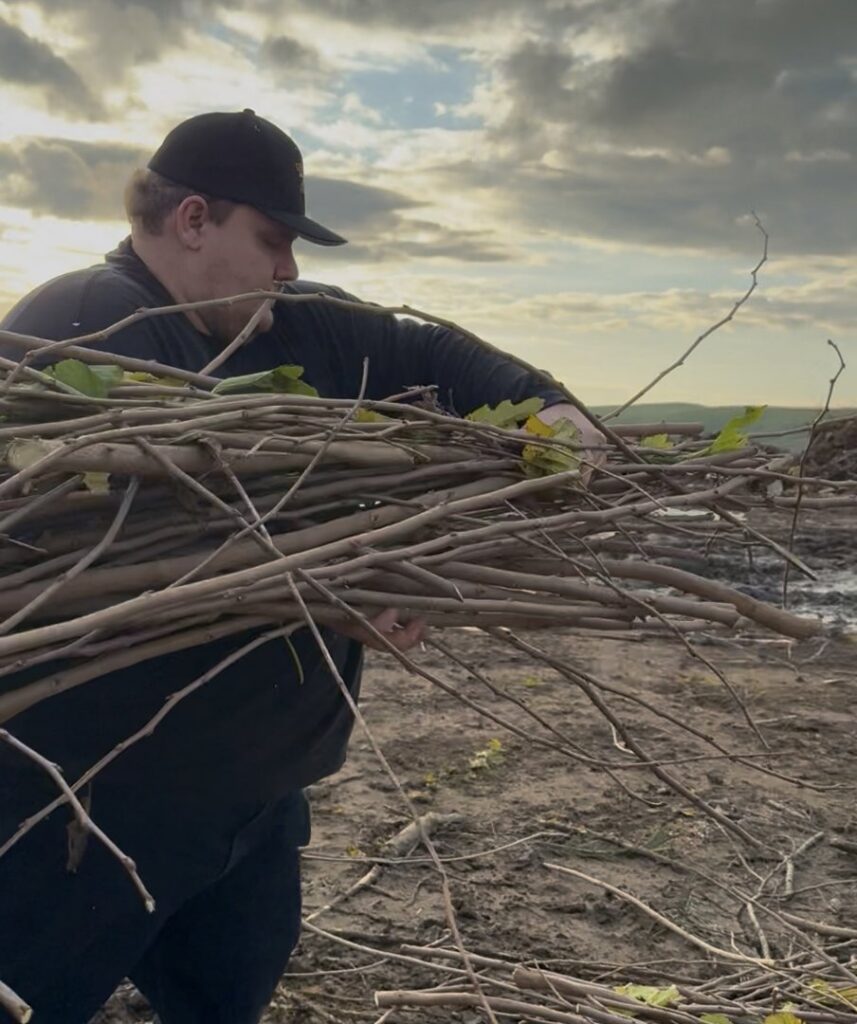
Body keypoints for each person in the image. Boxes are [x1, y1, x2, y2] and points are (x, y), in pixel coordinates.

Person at [0, 109, 602, 1024]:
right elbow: (138, 544)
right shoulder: (83, 327)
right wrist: (331, 588)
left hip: (256, 802)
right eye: (271, 240)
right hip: (92, 808)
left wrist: (548, 409)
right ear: (193, 219)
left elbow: (425, 349)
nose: (287, 268)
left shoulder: (289, 321)